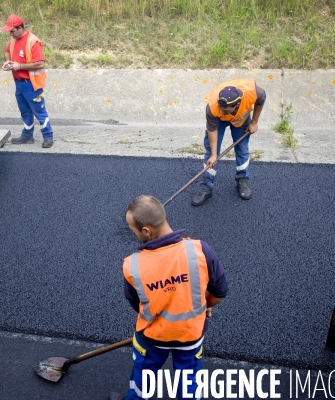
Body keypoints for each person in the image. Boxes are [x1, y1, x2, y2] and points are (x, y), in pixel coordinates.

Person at [110, 195, 228, 400]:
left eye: (133, 229)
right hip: (190, 336)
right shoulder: (200, 250)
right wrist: (204, 306)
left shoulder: (133, 265)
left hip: (152, 339)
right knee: (189, 387)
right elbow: (219, 292)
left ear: (146, 230)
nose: (133, 233)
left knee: (141, 386)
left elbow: (136, 304)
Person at [191, 79, 266, 206]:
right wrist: (214, 154)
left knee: (242, 148)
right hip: (218, 122)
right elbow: (212, 129)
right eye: (221, 109)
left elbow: (261, 100)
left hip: (240, 119)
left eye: (225, 111)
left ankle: (242, 179)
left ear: (236, 105)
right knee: (210, 152)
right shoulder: (213, 107)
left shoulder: (253, 93)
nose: (221, 112)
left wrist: (254, 122)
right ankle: (206, 187)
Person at [2, 14, 54, 148]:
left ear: (20, 28)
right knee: (25, 111)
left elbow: (40, 64)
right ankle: (27, 135)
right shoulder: (13, 40)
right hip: (19, 84)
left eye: (12, 31)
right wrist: (8, 61)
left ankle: (48, 136)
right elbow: (7, 51)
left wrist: (20, 66)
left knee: (39, 111)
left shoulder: (32, 42)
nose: (11, 34)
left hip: (31, 84)